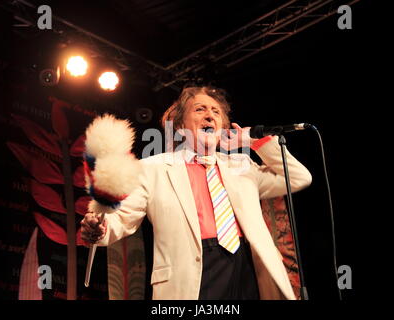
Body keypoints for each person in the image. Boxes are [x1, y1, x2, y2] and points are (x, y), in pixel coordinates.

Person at [80, 85, 312, 300]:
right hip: (191, 275)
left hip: (246, 268)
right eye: (200, 109)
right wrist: (100, 228)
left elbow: (300, 178)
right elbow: (123, 218)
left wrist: (255, 142)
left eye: (216, 112)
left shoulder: (242, 165)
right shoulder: (153, 168)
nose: (210, 115)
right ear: (180, 125)